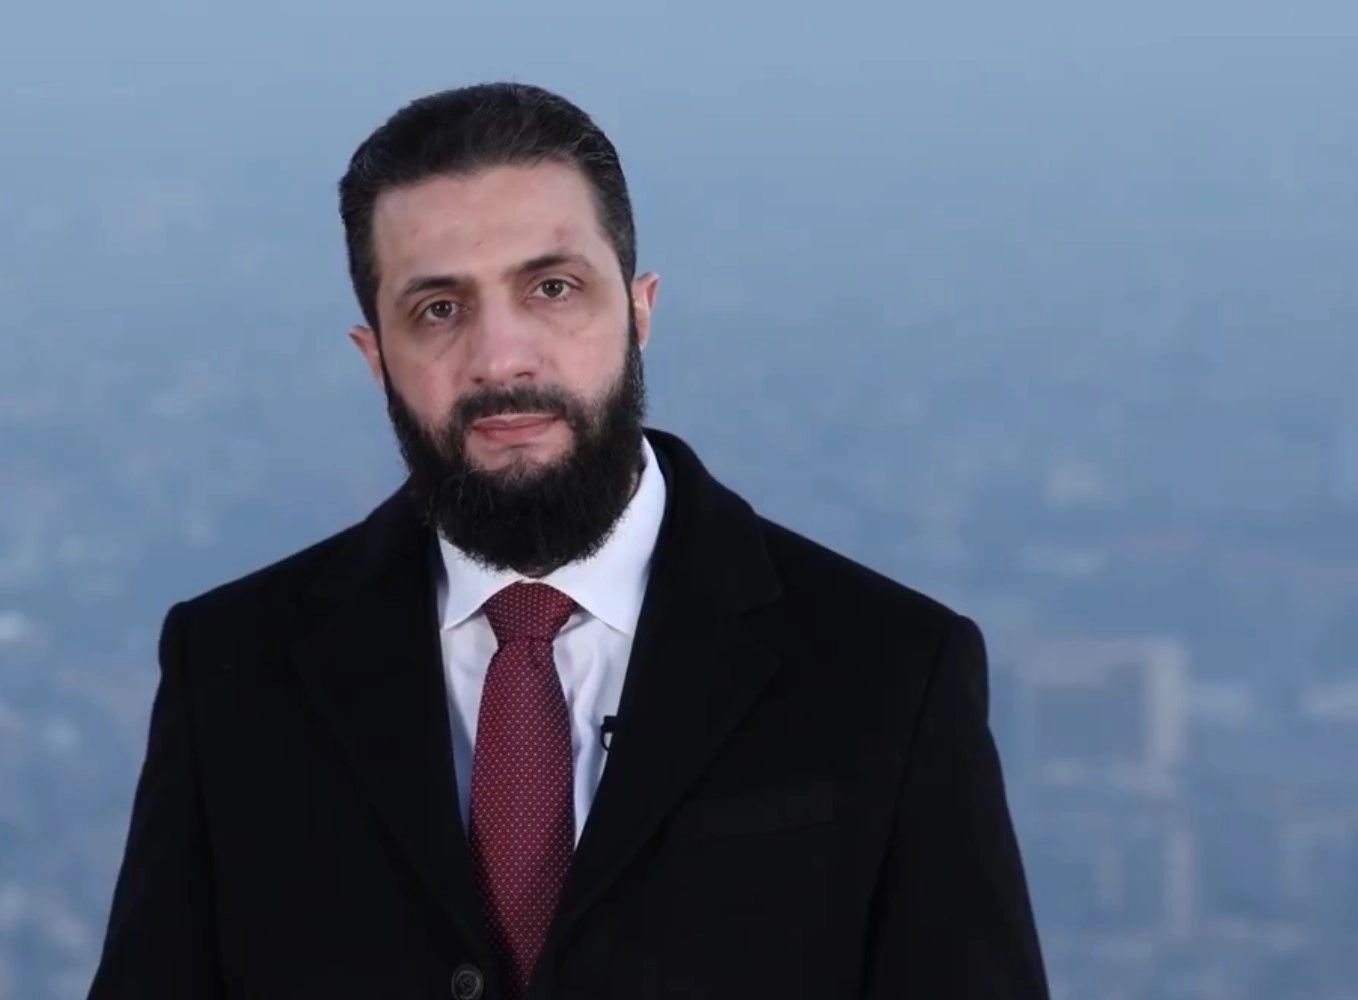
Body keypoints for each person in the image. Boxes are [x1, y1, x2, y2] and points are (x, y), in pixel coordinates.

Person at [87, 82, 1051, 1000]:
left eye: (552, 288)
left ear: (640, 309)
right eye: (438, 309)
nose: (501, 358)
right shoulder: (231, 670)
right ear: (374, 355)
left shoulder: (892, 670)